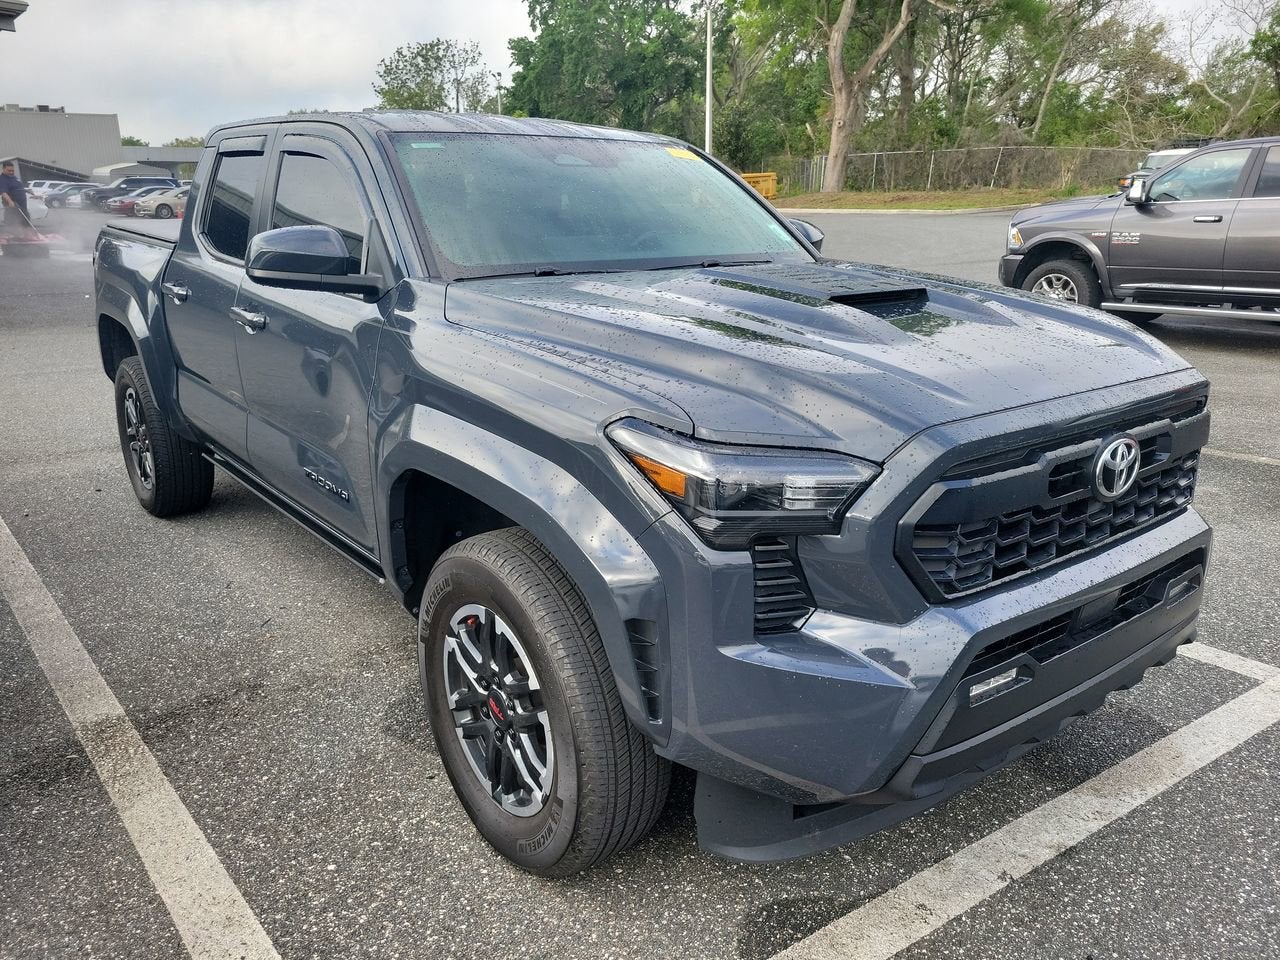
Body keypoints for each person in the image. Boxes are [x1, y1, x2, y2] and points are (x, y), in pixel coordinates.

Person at [0, 160, 36, 235]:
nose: (11, 172)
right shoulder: (2, 179)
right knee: (15, 219)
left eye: (12, 170)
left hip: (22, 203)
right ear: (3, 169)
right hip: (13, 204)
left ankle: (25, 234)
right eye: (9, 170)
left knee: (25, 218)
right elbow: (3, 192)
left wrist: (28, 191)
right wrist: (10, 202)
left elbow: (18, 188)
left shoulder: (14, 177)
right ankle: (14, 235)